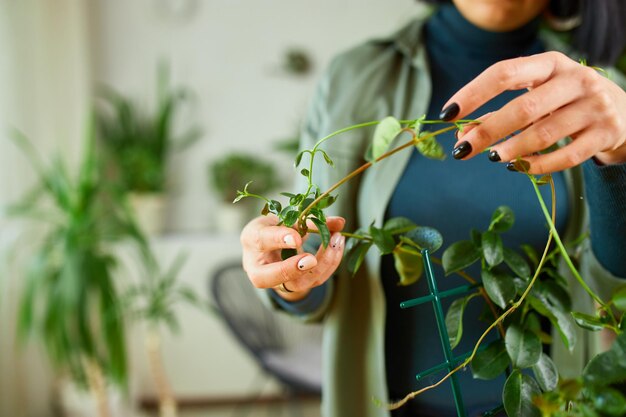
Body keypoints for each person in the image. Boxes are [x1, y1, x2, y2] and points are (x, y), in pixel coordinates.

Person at [240, 0, 626, 416]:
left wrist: (620, 156)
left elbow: (609, 291)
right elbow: (318, 272)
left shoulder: (603, 97)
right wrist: (291, 274)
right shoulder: (355, 78)